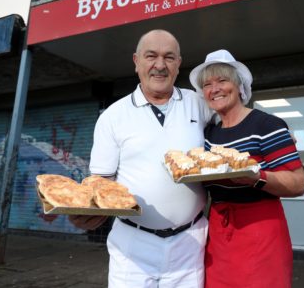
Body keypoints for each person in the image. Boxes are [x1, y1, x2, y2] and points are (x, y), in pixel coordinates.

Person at [70, 29, 213, 288]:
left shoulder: (199, 103)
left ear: (179, 64)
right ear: (136, 62)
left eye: (169, 57)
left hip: (190, 243)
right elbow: (101, 182)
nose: (160, 65)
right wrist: (85, 210)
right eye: (151, 56)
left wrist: (268, 130)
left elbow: (235, 122)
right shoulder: (113, 116)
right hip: (132, 247)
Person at [189, 49, 304, 288]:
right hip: (219, 235)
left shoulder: (267, 125)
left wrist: (256, 178)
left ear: (239, 85)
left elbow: (298, 183)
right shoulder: (209, 134)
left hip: (260, 230)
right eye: (208, 84)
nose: (215, 88)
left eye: (222, 80)